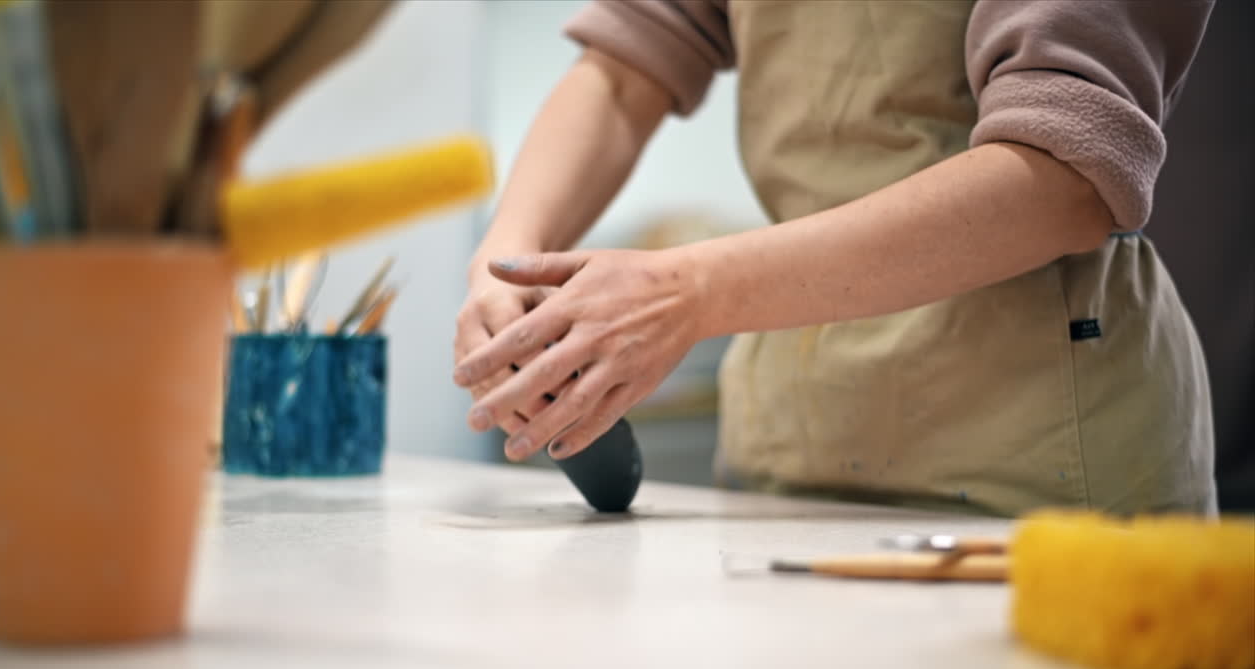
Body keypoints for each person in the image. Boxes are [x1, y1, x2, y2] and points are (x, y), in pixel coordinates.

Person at [452, 0, 1218, 517]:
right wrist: (504, 261)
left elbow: (1062, 176)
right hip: (793, 445)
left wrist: (690, 289)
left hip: (1034, 452)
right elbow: (625, 70)